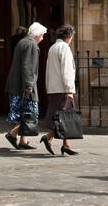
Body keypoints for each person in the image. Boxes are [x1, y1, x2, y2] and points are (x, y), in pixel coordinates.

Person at [5, 22, 46, 149]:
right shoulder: (31, 44)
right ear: (37, 34)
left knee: (23, 112)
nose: (43, 38)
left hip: (17, 84)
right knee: (30, 113)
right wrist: (29, 85)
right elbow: (28, 66)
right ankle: (12, 134)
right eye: (42, 35)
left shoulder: (23, 41)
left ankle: (23, 140)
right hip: (23, 86)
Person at [40, 24, 78, 156]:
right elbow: (66, 71)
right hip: (62, 88)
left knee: (61, 117)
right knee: (64, 117)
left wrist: (48, 87)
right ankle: (52, 138)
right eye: (72, 36)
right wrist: (70, 90)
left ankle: (64, 143)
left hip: (54, 88)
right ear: (69, 36)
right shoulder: (64, 48)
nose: (72, 39)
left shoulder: (53, 48)